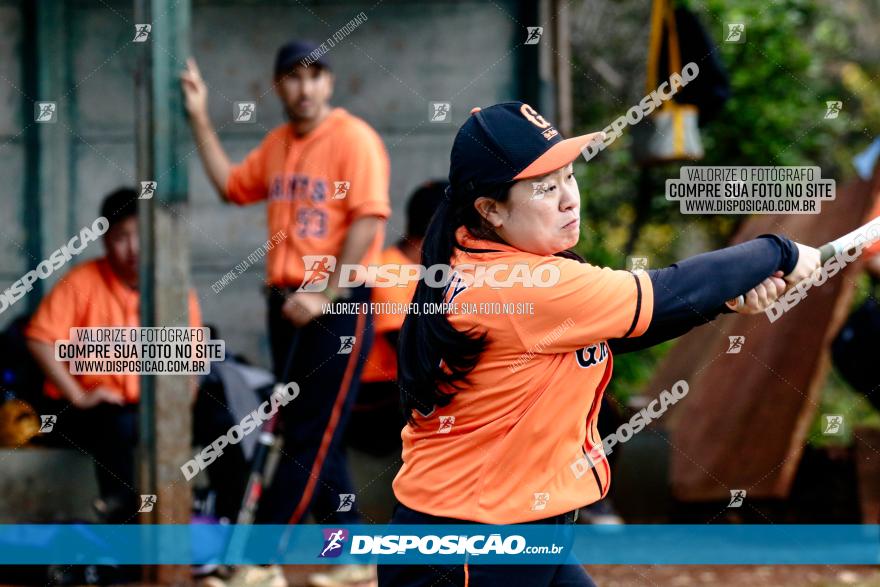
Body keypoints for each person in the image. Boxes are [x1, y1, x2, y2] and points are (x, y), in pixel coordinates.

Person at [380, 102, 822, 586]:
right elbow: (661, 293)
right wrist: (778, 250)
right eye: (545, 188)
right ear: (490, 209)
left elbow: (616, 327)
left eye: (569, 177)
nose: (569, 198)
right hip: (469, 545)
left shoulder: (489, 255)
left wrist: (724, 302)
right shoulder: (518, 283)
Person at [181, 40, 390, 587]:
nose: (304, 87)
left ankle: (257, 558)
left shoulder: (354, 139)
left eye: (315, 75)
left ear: (330, 82)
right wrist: (200, 115)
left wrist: (324, 292)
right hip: (288, 305)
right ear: (278, 87)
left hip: (337, 305)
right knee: (318, 433)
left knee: (302, 435)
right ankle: (353, 553)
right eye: (292, 77)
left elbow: (367, 223)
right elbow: (231, 186)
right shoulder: (277, 144)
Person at [25, 188, 202, 523]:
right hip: (87, 411)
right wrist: (79, 396)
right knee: (114, 422)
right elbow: (38, 339)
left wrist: (185, 395)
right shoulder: (81, 282)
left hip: (148, 410)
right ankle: (124, 521)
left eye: (140, 236)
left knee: (223, 420)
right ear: (105, 239)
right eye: (121, 237)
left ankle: (231, 530)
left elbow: (189, 360)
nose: (132, 248)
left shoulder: (173, 288)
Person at [347, 180, 447, 457]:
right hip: (374, 398)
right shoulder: (386, 271)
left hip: (401, 389)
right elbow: (410, 351)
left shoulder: (430, 271)